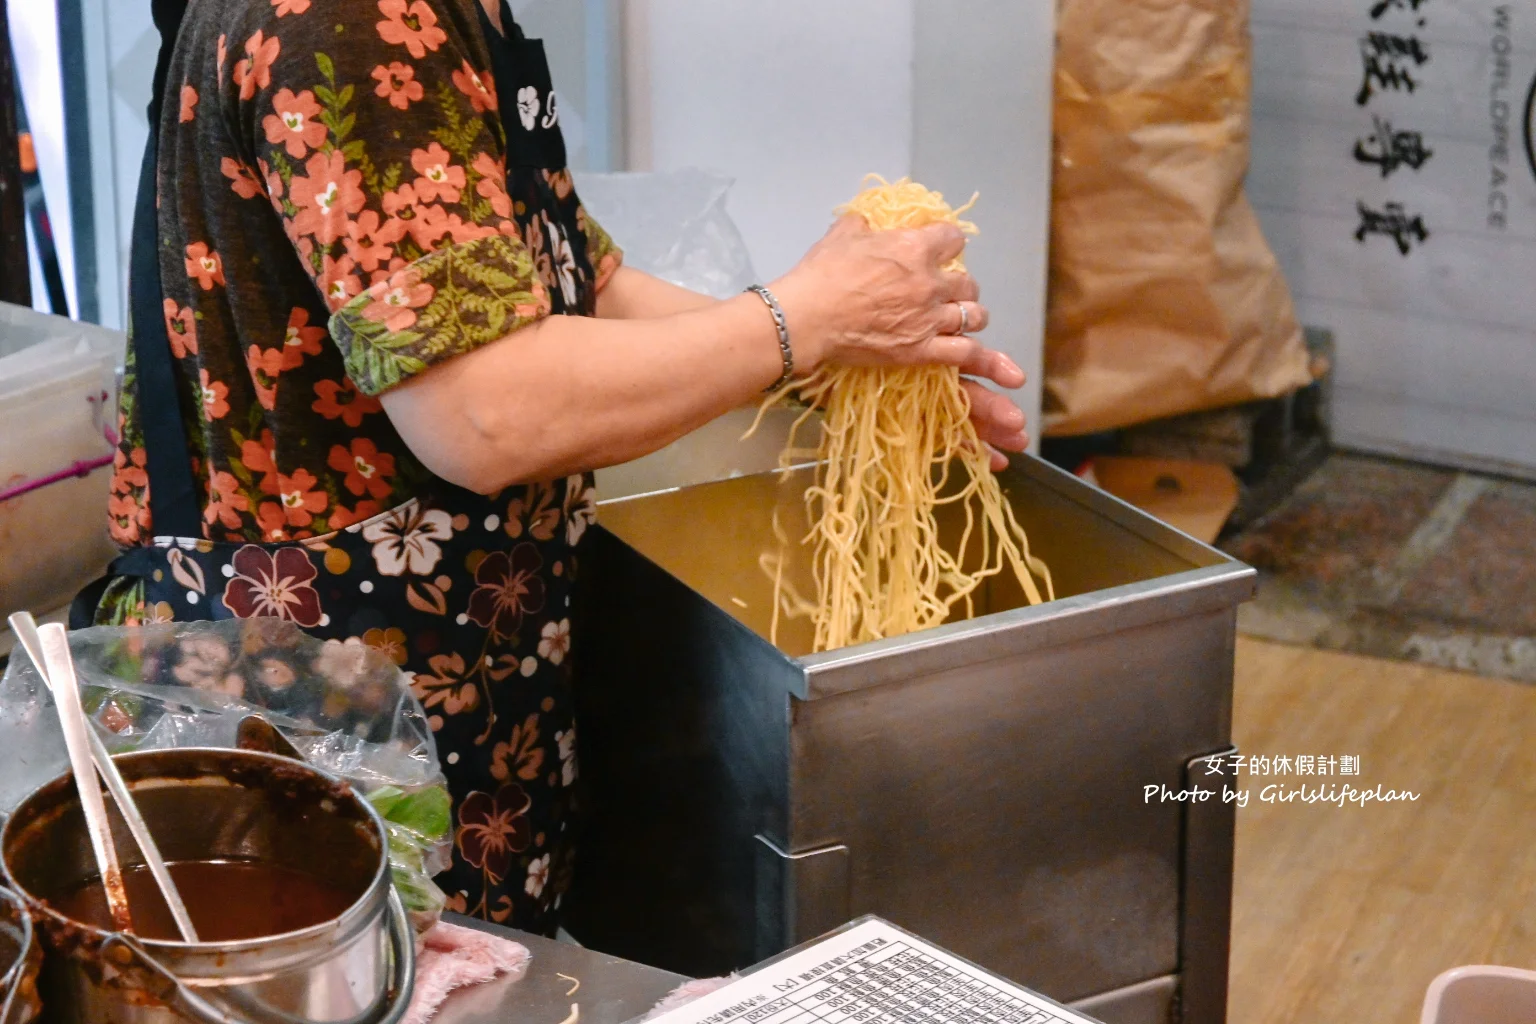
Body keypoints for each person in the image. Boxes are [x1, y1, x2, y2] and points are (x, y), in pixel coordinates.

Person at [85, 0, 1033, 934]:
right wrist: (803, 319)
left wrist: (844, 361)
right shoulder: (350, 14)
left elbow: (581, 284)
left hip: (451, 681)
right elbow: (483, 412)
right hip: (331, 716)